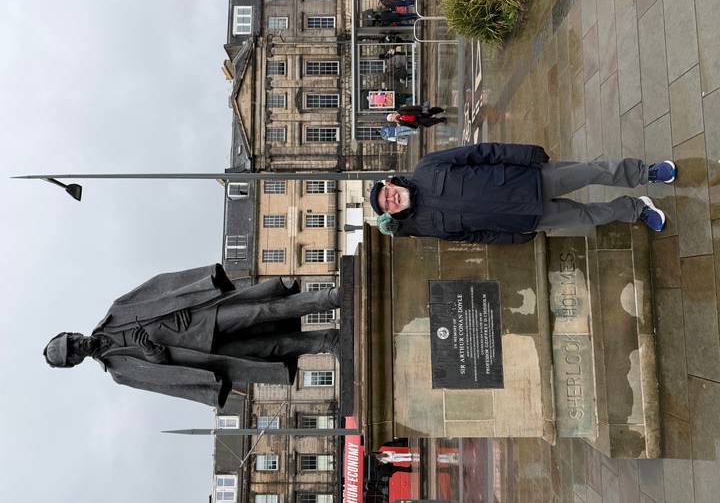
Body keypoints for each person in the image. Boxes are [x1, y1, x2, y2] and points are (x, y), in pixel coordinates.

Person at [43, 264, 341, 408]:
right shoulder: (119, 372)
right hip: (204, 356)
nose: (77, 346)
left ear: (72, 332)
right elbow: (165, 378)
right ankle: (328, 341)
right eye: (73, 352)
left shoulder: (116, 311)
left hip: (200, 319)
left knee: (263, 310)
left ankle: (330, 297)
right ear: (75, 362)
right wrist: (150, 351)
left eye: (71, 340)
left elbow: (159, 289)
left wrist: (181, 304)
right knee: (271, 348)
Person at [368, 142, 677, 243]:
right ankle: (636, 209)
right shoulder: (422, 226)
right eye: (387, 206)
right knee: (589, 216)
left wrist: (524, 154)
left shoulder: (427, 167)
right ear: (392, 213)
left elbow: (481, 152)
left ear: (392, 183)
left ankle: (645, 172)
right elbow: (475, 236)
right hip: (524, 217)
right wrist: (513, 237)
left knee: (593, 171)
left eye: (388, 193)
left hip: (527, 179)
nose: (392, 200)